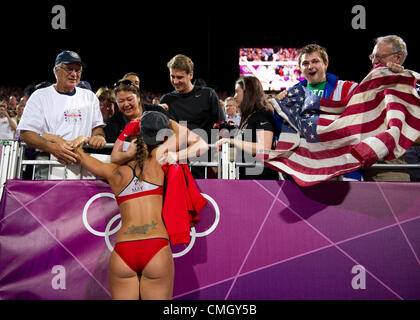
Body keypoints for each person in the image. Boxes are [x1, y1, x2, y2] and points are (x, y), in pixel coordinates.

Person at [43, 111, 208, 300]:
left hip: (124, 250)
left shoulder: (112, 172)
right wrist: (164, 120)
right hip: (156, 245)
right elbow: (184, 135)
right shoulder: (158, 159)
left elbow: (50, 139)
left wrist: (80, 140)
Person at [17, 50, 106, 167]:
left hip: (81, 162)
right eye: (69, 69)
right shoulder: (40, 96)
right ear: (56, 70)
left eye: (77, 70)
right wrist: (53, 148)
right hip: (48, 162)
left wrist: (99, 136)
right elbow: (26, 134)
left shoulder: (89, 97)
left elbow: (97, 128)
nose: (74, 74)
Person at [160, 54, 225, 178]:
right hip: (177, 163)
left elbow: (221, 127)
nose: (175, 81)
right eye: (172, 76)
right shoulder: (166, 100)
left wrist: (216, 160)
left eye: (180, 77)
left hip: (205, 163)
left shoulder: (208, 95)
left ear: (191, 75)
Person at [363, 35, 412, 181]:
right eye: (372, 56)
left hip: (390, 169)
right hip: (361, 169)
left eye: (379, 56)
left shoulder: (411, 86)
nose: (374, 61)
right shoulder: (368, 85)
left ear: (398, 58)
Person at [215, 76, 280, 180]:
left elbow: (264, 148)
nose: (235, 96)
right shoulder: (249, 116)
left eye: (237, 92)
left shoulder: (262, 114)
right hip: (247, 177)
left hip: (263, 180)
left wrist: (232, 141)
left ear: (247, 92)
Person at [110, 80, 172, 163]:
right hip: (132, 169)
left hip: (161, 164)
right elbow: (114, 157)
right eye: (121, 101)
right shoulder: (115, 120)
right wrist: (129, 154)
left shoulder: (156, 110)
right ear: (116, 102)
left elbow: (178, 131)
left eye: (129, 99)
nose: (126, 104)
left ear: (138, 97)